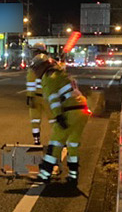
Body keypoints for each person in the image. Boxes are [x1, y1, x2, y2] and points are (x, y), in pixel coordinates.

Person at [33, 56, 88, 192]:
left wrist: (58, 116)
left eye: (35, 68)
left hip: (70, 111)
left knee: (55, 143)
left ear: (42, 66)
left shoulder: (48, 77)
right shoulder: (62, 74)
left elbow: (53, 99)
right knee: (73, 144)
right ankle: (73, 176)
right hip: (82, 109)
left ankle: (44, 174)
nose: (35, 72)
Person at [24, 46, 50, 146]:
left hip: (36, 96)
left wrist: (29, 96)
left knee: (35, 119)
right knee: (54, 119)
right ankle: (60, 141)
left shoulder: (34, 63)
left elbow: (31, 81)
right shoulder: (51, 63)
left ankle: (36, 140)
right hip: (49, 97)